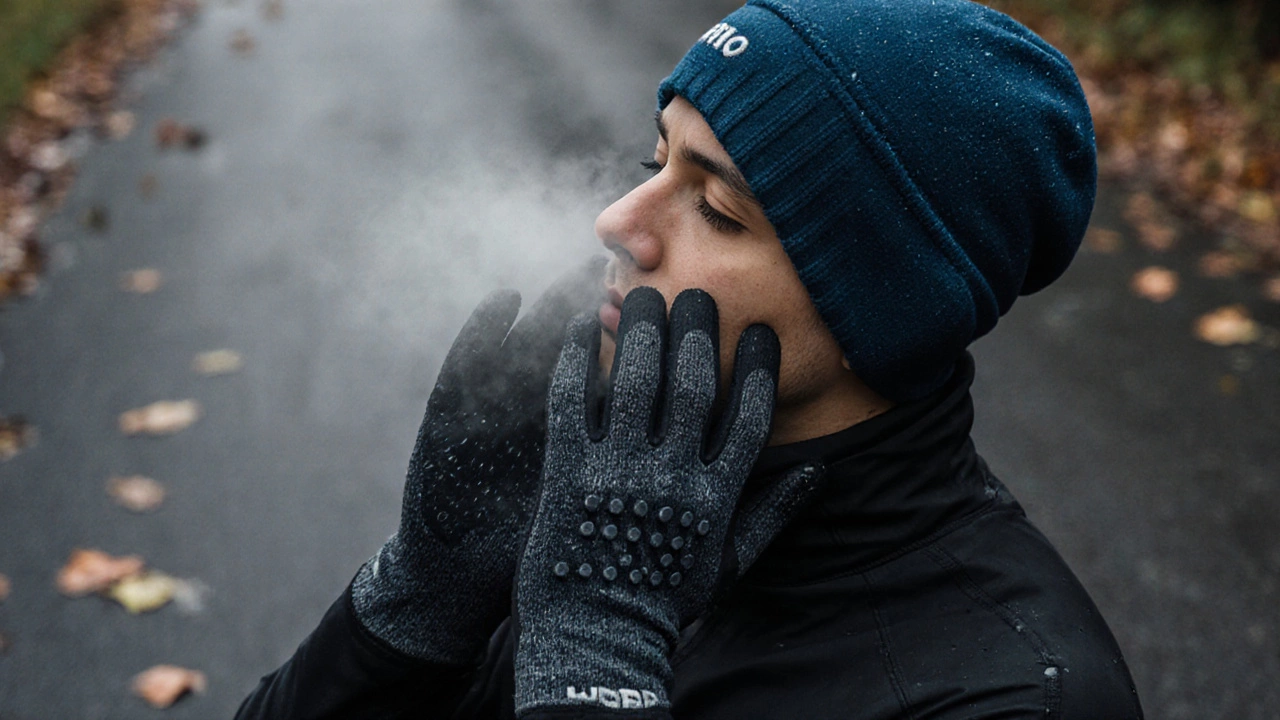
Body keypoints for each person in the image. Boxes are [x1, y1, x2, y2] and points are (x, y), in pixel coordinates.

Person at [236, 0, 1145, 717]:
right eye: (655, 159)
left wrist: (596, 669)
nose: (618, 220)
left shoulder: (1023, 694)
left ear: (887, 309)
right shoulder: (613, 513)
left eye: (718, 210)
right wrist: (415, 609)